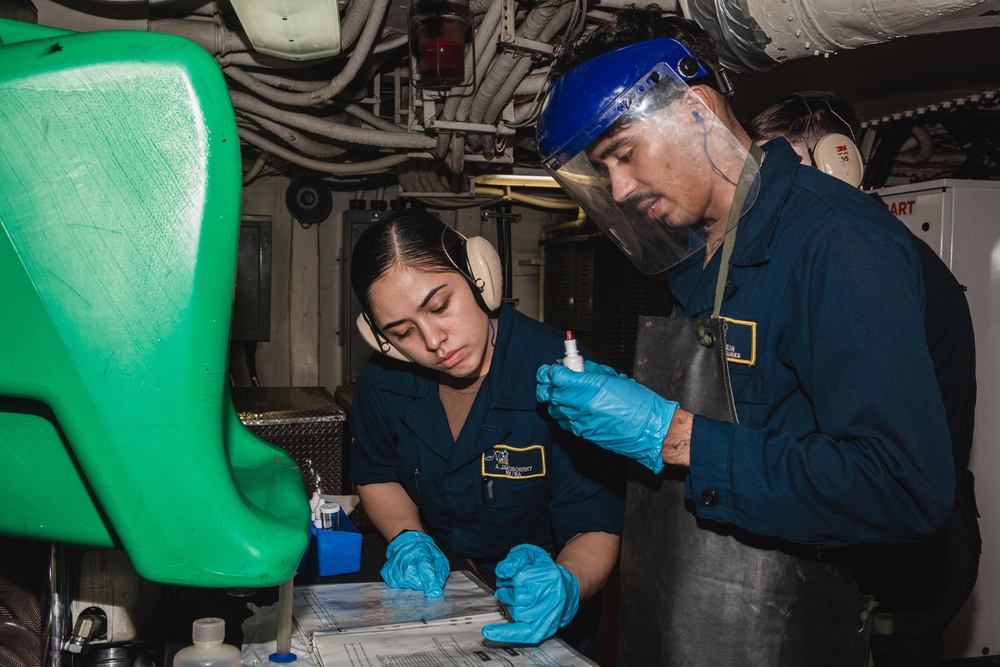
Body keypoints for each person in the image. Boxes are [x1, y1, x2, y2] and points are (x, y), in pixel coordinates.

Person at [533, 6, 955, 665]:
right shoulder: (698, 261)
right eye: (603, 168)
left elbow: (902, 486)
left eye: (624, 154)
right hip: (683, 625)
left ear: (695, 109)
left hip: (788, 635)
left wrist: (671, 434)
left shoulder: (833, 241)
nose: (617, 187)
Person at [749, 91, 982, 667]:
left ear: (839, 159)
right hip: (881, 543)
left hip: (905, 560)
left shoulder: (867, 261)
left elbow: (883, 462)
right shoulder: (827, 258)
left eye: (782, 166)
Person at [347, 210, 624, 653]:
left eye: (440, 307)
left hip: (542, 618)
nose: (434, 340)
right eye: (402, 332)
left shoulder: (562, 373)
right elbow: (377, 473)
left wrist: (565, 583)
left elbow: (596, 525)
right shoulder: (385, 380)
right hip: (435, 603)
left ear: (480, 277)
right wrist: (407, 536)